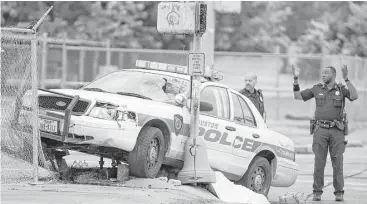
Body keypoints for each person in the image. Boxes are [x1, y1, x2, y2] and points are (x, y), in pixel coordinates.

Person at [292, 64, 358, 202]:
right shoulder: (317, 89)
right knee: (319, 163)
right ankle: (317, 192)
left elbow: (354, 96)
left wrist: (346, 79)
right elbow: (297, 96)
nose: (323, 75)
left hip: (337, 131)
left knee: (337, 163)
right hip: (320, 130)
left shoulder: (341, 89)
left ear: (333, 75)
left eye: (326, 73)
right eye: (322, 73)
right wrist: (296, 78)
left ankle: (339, 192)